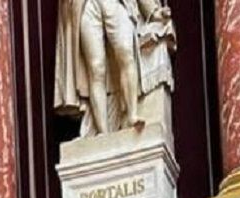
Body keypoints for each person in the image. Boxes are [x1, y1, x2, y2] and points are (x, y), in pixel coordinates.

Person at [54, 0, 174, 136]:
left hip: (117, 3)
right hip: (87, 5)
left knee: (126, 53)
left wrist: (152, 11)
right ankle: (103, 131)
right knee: (96, 68)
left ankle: (132, 114)